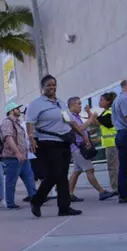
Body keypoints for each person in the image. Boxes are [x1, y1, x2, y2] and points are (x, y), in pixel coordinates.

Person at [25, 75, 89, 217]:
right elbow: (30, 122)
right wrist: (31, 139)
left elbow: (71, 122)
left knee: (62, 175)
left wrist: (83, 135)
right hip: (47, 142)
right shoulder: (36, 104)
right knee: (55, 174)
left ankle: (64, 207)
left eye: (53, 85)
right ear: (42, 87)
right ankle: (37, 200)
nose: (51, 87)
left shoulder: (61, 103)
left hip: (64, 142)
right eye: (48, 85)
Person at [66, 97, 115, 202]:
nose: (80, 106)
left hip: (77, 148)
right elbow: (80, 128)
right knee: (90, 170)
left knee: (76, 171)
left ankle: (69, 194)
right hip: (78, 148)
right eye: (78, 104)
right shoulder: (71, 117)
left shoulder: (76, 117)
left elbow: (84, 128)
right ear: (72, 105)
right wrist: (91, 118)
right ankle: (101, 192)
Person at [0, 102, 36, 209]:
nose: (19, 110)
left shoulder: (18, 123)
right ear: (11, 111)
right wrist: (17, 153)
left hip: (23, 156)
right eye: (17, 109)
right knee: (11, 181)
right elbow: (8, 138)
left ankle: (35, 199)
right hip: (12, 157)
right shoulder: (7, 122)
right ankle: (10, 203)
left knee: (29, 178)